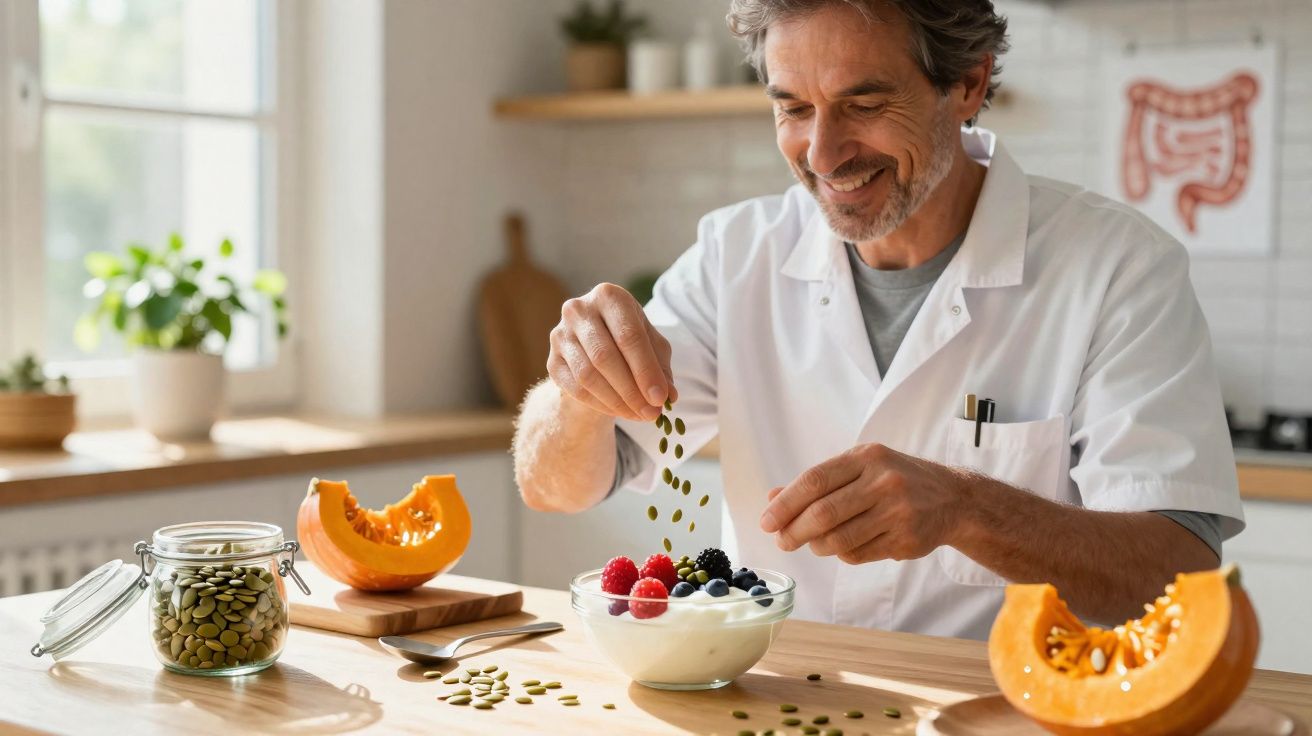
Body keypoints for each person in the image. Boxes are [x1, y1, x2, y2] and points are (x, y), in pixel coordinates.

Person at [512, 0, 1242, 639]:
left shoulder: (1119, 268)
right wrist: (575, 394)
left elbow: (1178, 575)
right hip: (768, 705)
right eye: (793, 108)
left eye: (864, 104)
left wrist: (966, 507)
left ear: (968, 83)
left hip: (1006, 713)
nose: (823, 154)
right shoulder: (735, 256)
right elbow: (554, 486)